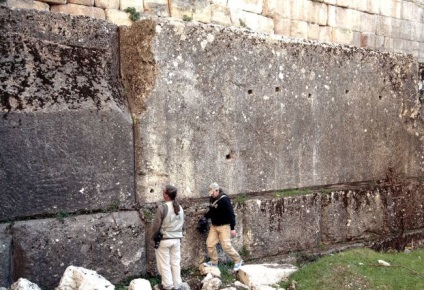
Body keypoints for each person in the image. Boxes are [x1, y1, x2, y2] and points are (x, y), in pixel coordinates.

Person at [202, 182, 243, 271]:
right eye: (210, 193)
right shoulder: (212, 199)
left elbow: (231, 214)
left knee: (226, 246)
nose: (211, 195)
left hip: (224, 226)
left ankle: (238, 260)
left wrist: (232, 228)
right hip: (214, 226)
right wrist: (205, 217)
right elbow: (212, 210)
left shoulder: (225, 200)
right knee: (210, 244)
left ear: (217, 190)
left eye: (212, 193)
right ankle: (214, 262)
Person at [152, 185, 184, 290]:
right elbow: (182, 223)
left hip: (164, 239)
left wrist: (153, 237)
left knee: (164, 264)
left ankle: (168, 286)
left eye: (164, 192)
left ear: (166, 195)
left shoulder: (162, 208)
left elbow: (156, 225)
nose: (162, 193)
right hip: (176, 239)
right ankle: (177, 284)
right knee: (175, 263)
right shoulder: (180, 207)